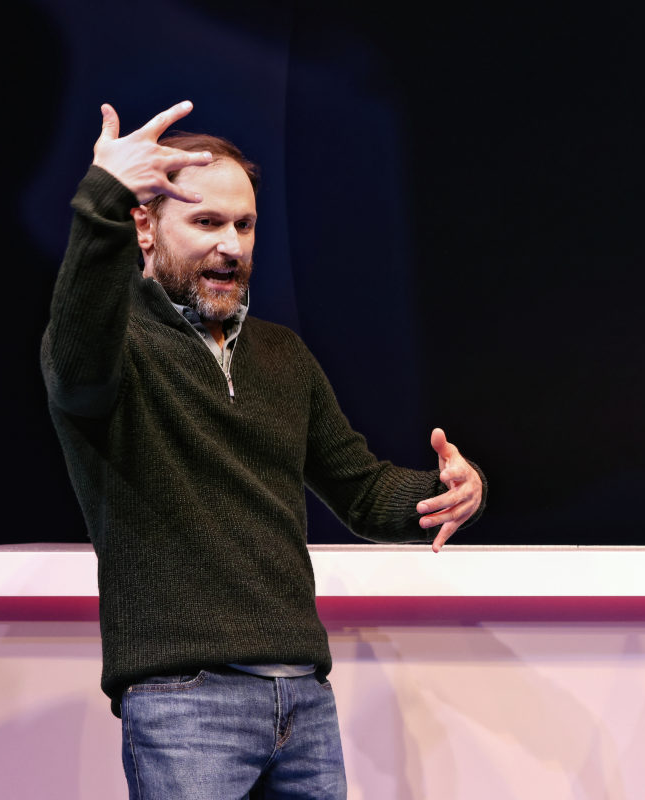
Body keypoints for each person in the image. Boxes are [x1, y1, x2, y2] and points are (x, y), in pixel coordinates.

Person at [41, 101, 486, 799]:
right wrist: (101, 195)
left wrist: (445, 494)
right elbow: (74, 358)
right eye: (207, 222)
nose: (232, 247)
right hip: (184, 700)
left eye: (244, 225)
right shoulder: (115, 348)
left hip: (302, 697)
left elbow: (362, 492)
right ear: (145, 227)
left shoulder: (283, 355)